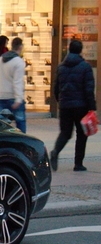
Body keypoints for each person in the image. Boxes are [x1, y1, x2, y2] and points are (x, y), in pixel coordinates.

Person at [50, 39, 97, 172]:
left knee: (65, 132)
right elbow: (88, 89)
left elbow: (56, 87)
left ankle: (55, 151)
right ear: (80, 50)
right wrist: (92, 107)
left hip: (65, 105)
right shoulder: (85, 67)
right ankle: (78, 163)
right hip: (80, 106)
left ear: (69, 49)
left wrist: (60, 101)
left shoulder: (61, 67)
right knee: (82, 134)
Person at [0, 37, 26, 132]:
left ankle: (2, 144)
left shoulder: (0, 59)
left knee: (1, 125)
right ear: (20, 47)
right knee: (20, 122)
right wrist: (19, 98)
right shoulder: (19, 62)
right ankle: (22, 144)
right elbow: (17, 81)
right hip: (12, 96)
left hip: (0, 96)